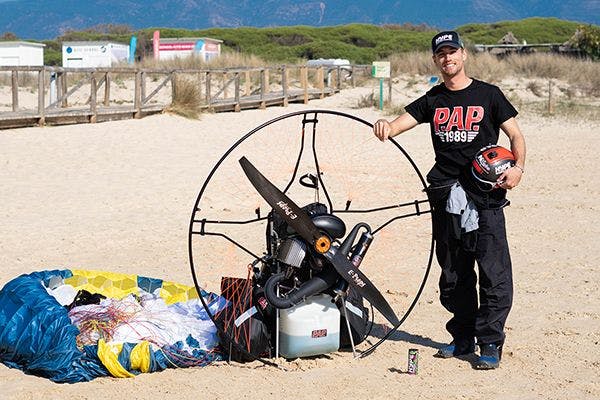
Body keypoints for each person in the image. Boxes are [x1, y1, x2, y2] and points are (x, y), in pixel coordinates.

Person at [373, 31, 526, 369]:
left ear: (464, 55)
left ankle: (489, 343)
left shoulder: (489, 95)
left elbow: (515, 135)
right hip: (444, 194)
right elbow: (400, 124)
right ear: (435, 60)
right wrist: (385, 125)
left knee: (493, 271)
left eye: (452, 52)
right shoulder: (434, 98)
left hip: (486, 194)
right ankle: (462, 338)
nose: (447, 58)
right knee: (453, 272)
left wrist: (517, 169)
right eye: (441, 54)